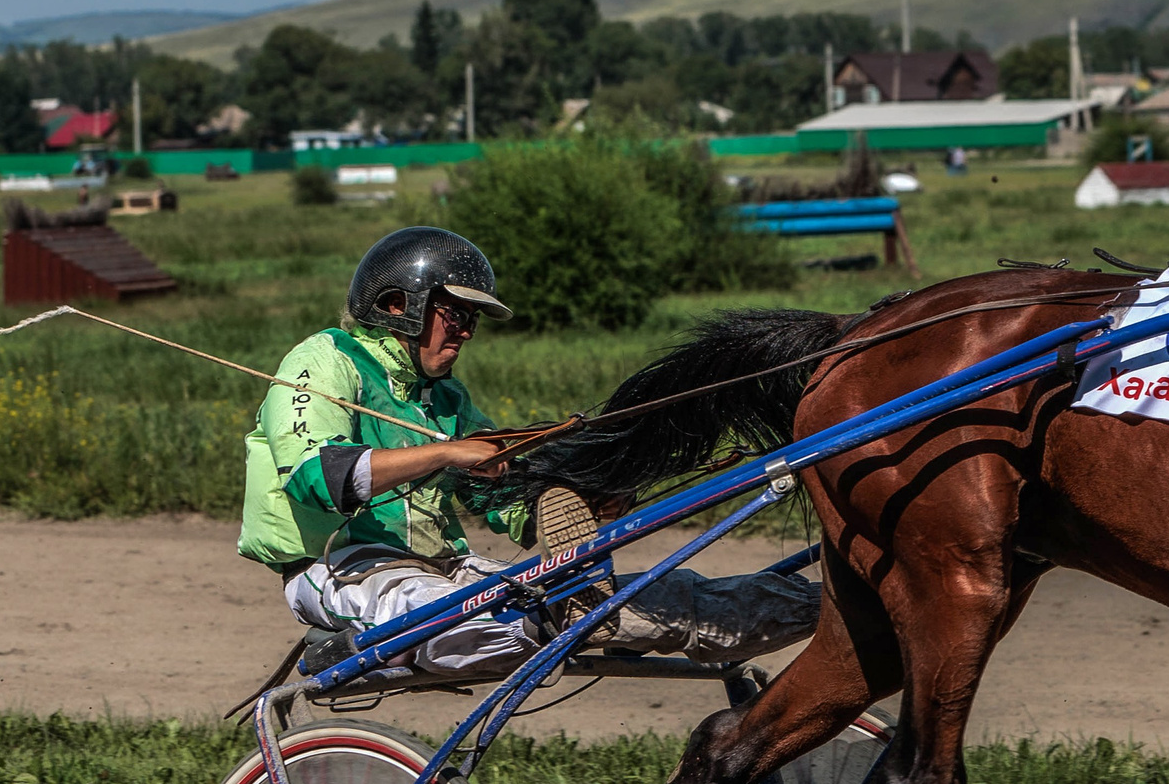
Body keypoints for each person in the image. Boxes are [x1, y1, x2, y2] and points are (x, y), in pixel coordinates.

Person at [238, 227, 818, 680]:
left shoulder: (445, 398)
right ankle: (572, 612)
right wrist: (446, 453)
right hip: (342, 571)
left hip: (444, 572)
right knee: (509, 617)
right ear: (398, 303)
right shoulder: (323, 360)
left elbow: (505, 498)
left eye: (471, 321)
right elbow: (318, 476)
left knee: (663, 596)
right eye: (454, 313)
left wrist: (584, 499)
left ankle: (832, 609)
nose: (466, 330)